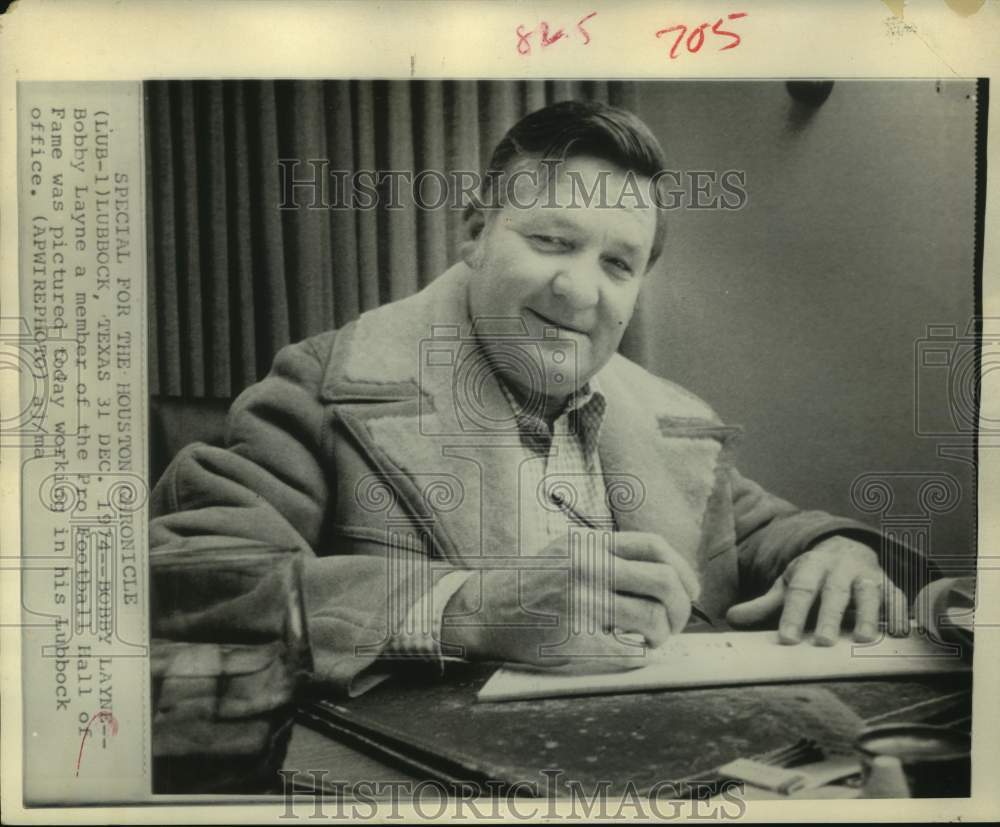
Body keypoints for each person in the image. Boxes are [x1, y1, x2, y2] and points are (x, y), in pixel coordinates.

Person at [150, 100, 919, 697]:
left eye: (618, 264)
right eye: (552, 241)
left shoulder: (674, 423)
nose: (578, 289)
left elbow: (759, 531)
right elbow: (187, 579)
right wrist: (470, 610)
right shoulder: (321, 389)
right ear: (476, 233)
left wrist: (833, 549)